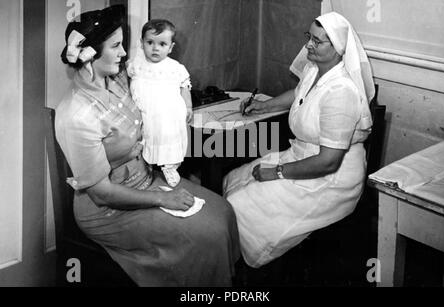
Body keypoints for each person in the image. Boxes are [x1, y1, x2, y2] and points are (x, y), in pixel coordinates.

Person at [55, 5, 240, 286]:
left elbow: (158, 80)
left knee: (224, 211)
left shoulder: (115, 81)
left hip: (146, 180)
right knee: (208, 234)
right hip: (108, 210)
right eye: (116, 46)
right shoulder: (76, 115)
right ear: (90, 54)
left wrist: (183, 100)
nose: (123, 53)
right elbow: (102, 194)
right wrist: (163, 198)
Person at [223, 12, 375, 268]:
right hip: (302, 158)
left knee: (239, 205)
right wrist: (264, 106)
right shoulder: (313, 69)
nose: (308, 46)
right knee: (234, 180)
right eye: (309, 38)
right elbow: (297, 94)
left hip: (330, 179)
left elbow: (328, 162)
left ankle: (242, 271)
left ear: (338, 48)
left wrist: (278, 172)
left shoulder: (341, 92)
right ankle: (232, 258)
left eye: (317, 41)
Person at [127, 19, 192, 187]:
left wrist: (189, 106)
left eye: (162, 44)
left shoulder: (175, 68)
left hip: (167, 114)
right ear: (142, 43)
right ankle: (145, 167)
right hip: (145, 112)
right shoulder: (137, 65)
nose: (155, 48)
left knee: (167, 139)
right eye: (150, 42)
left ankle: (170, 166)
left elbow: (185, 87)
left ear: (170, 47)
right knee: (145, 139)